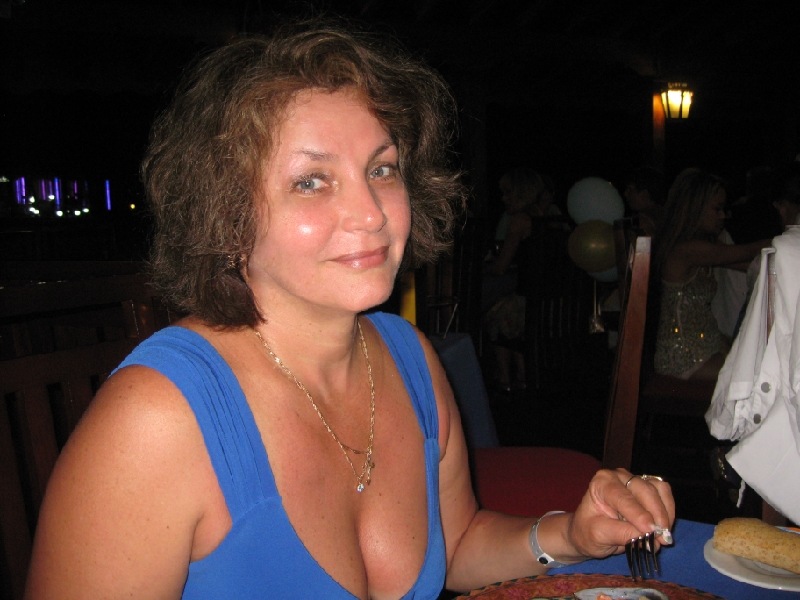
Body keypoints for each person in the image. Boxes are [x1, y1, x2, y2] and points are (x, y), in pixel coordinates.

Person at [25, 19, 675, 599]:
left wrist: (569, 536)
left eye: (382, 169)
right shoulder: (156, 422)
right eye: (312, 181)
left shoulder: (411, 359)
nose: (369, 214)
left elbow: (454, 545)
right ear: (226, 214)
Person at [652, 168, 771, 382]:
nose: (723, 215)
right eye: (717, 209)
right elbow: (748, 251)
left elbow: (750, 265)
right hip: (683, 356)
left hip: (709, 344)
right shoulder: (685, 250)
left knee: (765, 359)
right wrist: (788, 239)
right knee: (760, 375)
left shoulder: (703, 248)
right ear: (694, 209)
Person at [481, 167, 565, 391]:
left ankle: (504, 378)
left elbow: (500, 267)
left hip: (527, 304)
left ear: (522, 192)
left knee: (490, 307)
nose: (503, 198)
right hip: (553, 302)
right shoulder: (551, 219)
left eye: (508, 193)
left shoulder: (520, 220)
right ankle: (521, 374)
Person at [622, 165, 666, 238]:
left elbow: (641, 246)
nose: (626, 194)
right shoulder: (670, 218)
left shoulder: (642, 223)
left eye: (630, 189)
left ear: (645, 193)